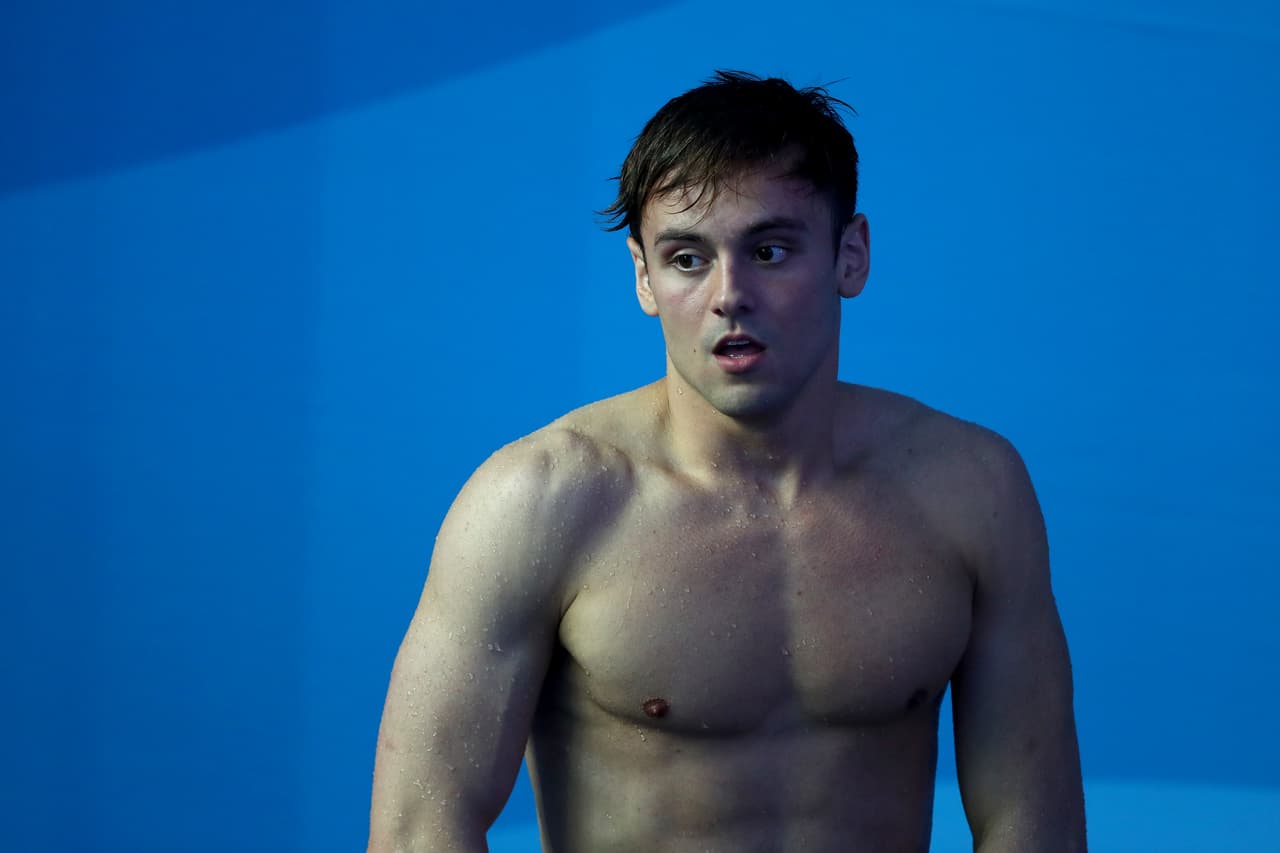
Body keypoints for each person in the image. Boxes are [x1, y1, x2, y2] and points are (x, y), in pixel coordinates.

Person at [367, 70, 1086, 852]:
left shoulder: (971, 491)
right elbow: (418, 831)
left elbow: (1033, 824)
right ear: (643, 276)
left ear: (851, 255)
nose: (728, 294)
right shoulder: (542, 502)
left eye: (770, 250)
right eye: (686, 258)